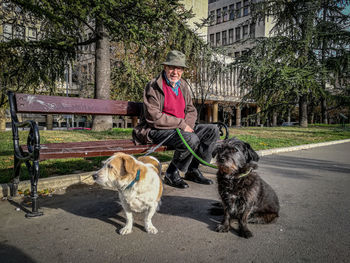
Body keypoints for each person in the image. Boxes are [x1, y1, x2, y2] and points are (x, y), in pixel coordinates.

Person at [133, 50, 219, 189]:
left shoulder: (183, 85)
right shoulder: (154, 86)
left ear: (183, 71)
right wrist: (181, 124)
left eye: (179, 68)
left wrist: (187, 125)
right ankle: (171, 173)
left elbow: (191, 109)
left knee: (212, 130)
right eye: (172, 67)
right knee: (191, 139)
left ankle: (192, 169)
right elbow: (153, 116)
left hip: (181, 129)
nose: (175, 72)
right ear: (165, 67)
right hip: (156, 130)